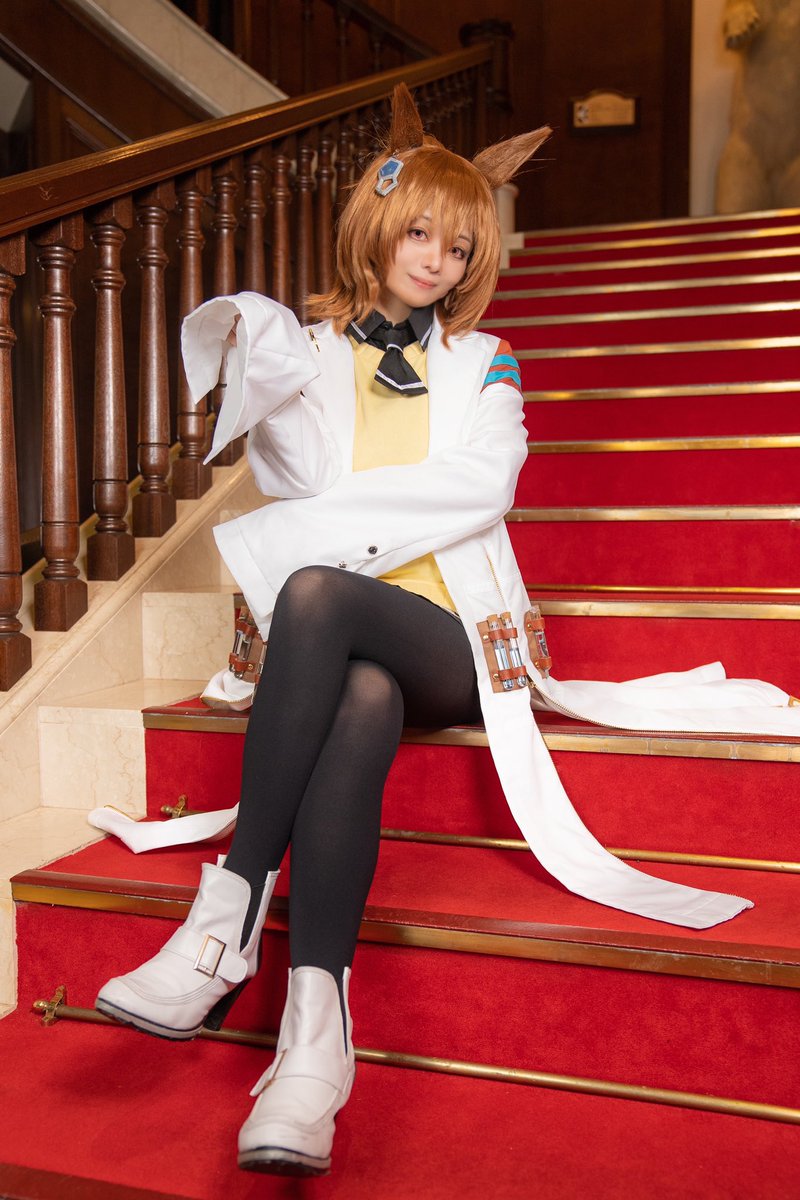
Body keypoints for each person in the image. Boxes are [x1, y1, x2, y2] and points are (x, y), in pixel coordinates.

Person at [93, 84, 799, 1176]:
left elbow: (484, 486)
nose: (437, 260)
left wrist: (329, 532)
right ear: (376, 225)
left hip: (453, 637)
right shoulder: (312, 349)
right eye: (420, 233)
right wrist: (268, 383)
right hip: (352, 655)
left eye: (459, 246)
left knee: (315, 590)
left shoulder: (486, 361)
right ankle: (314, 1044)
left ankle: (223, 919)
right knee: (357, 691)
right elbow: (294, 486)